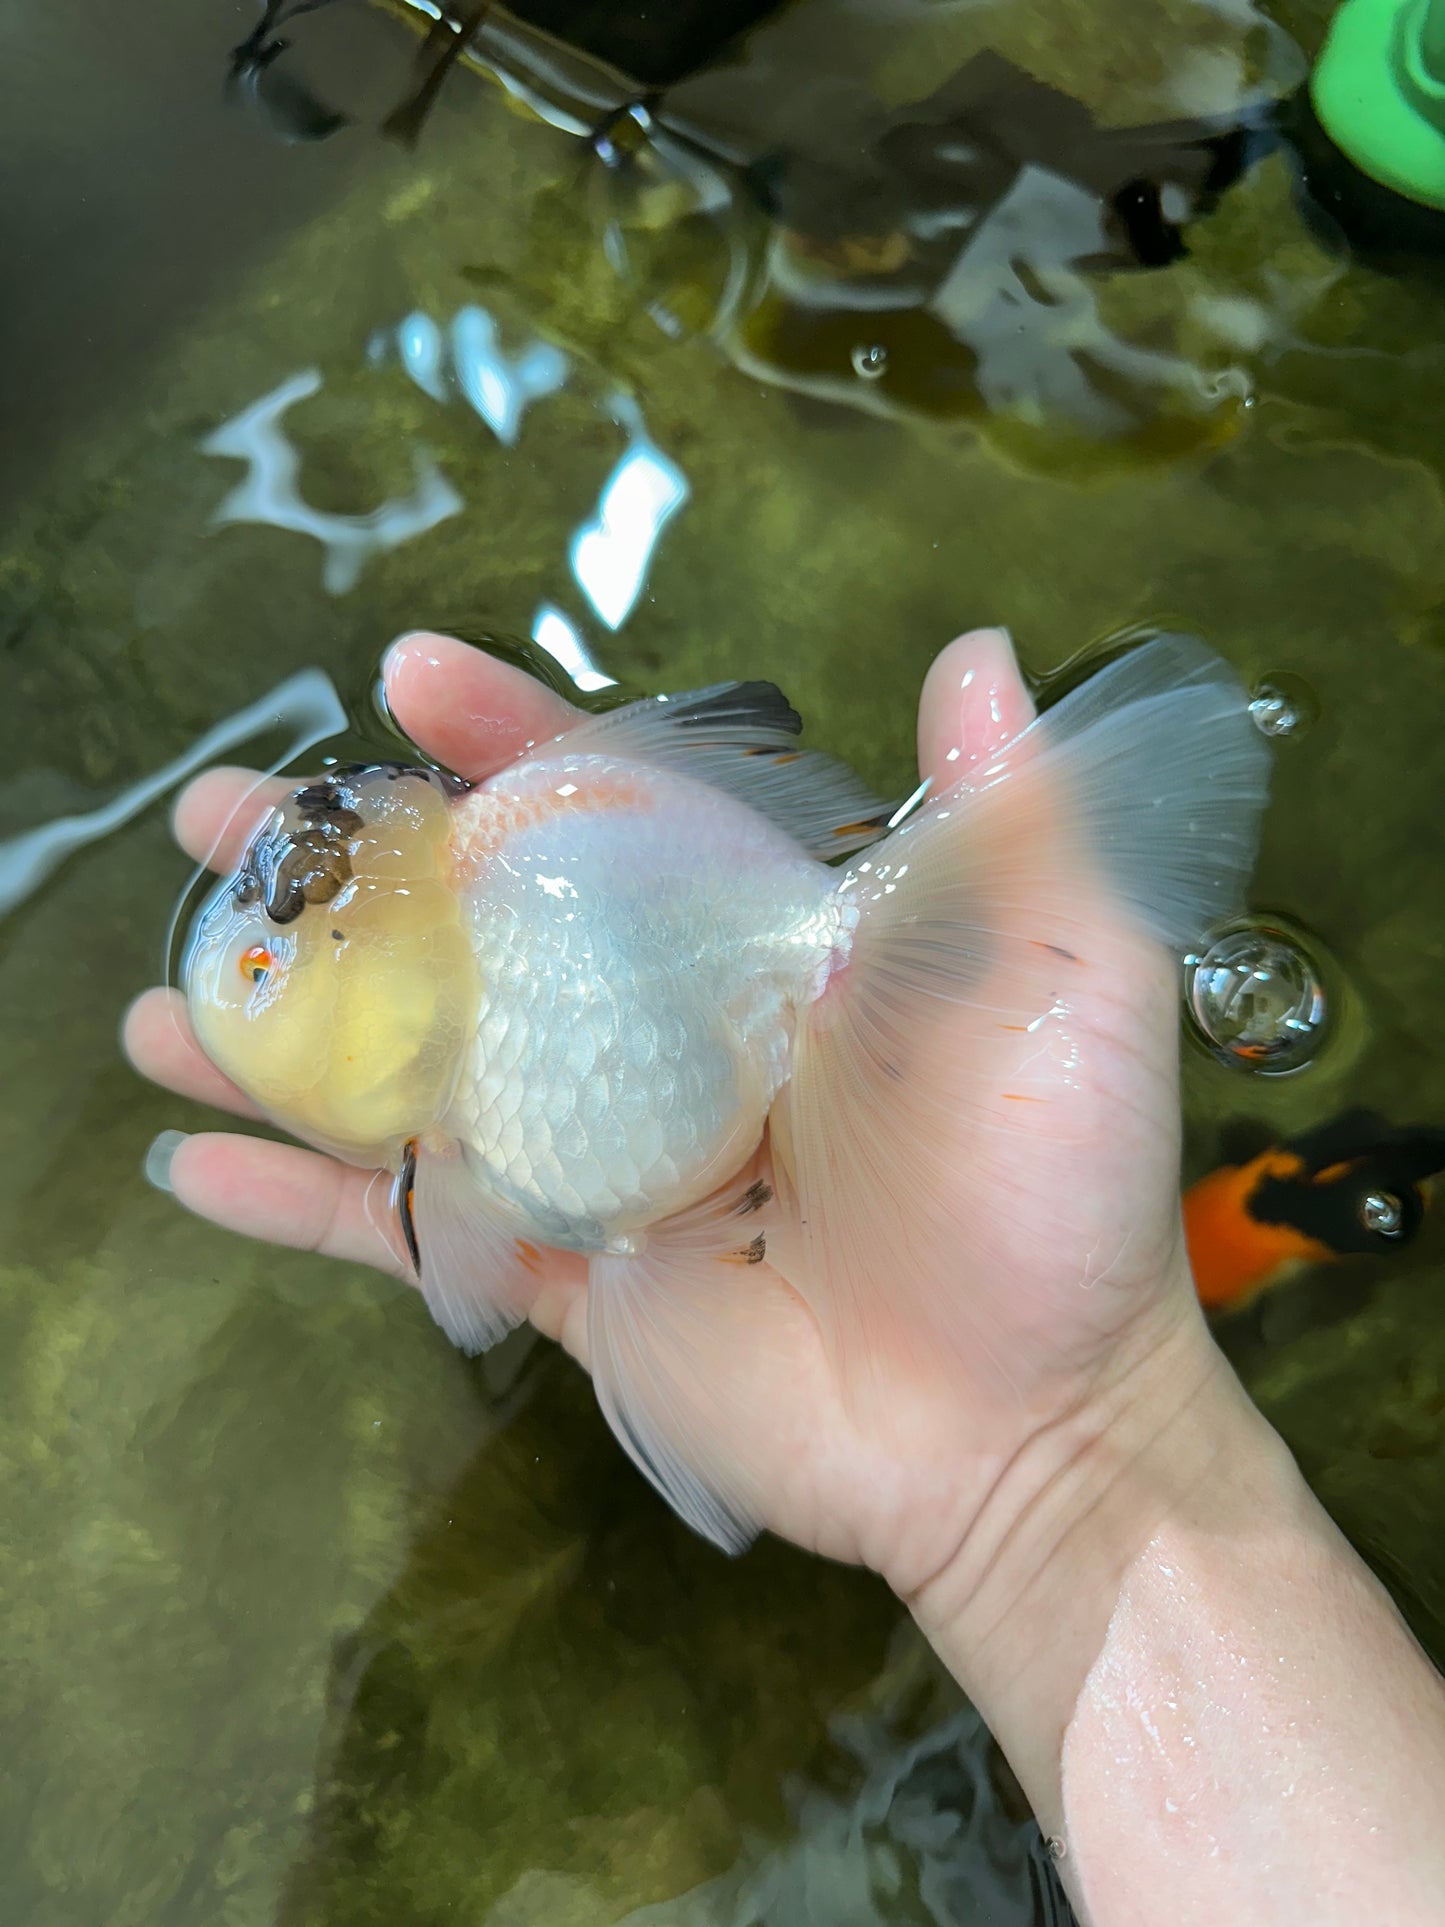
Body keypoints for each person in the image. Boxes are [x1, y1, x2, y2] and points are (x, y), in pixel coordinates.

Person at [124, 628, 1445, 1925]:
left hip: (740, 978)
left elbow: (473, 1264)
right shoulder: (457, 990)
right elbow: (469, 1254)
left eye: (258, 968)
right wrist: (1064, 1489)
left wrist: (1065, 1461)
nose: (246, 991)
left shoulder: (500, 914)